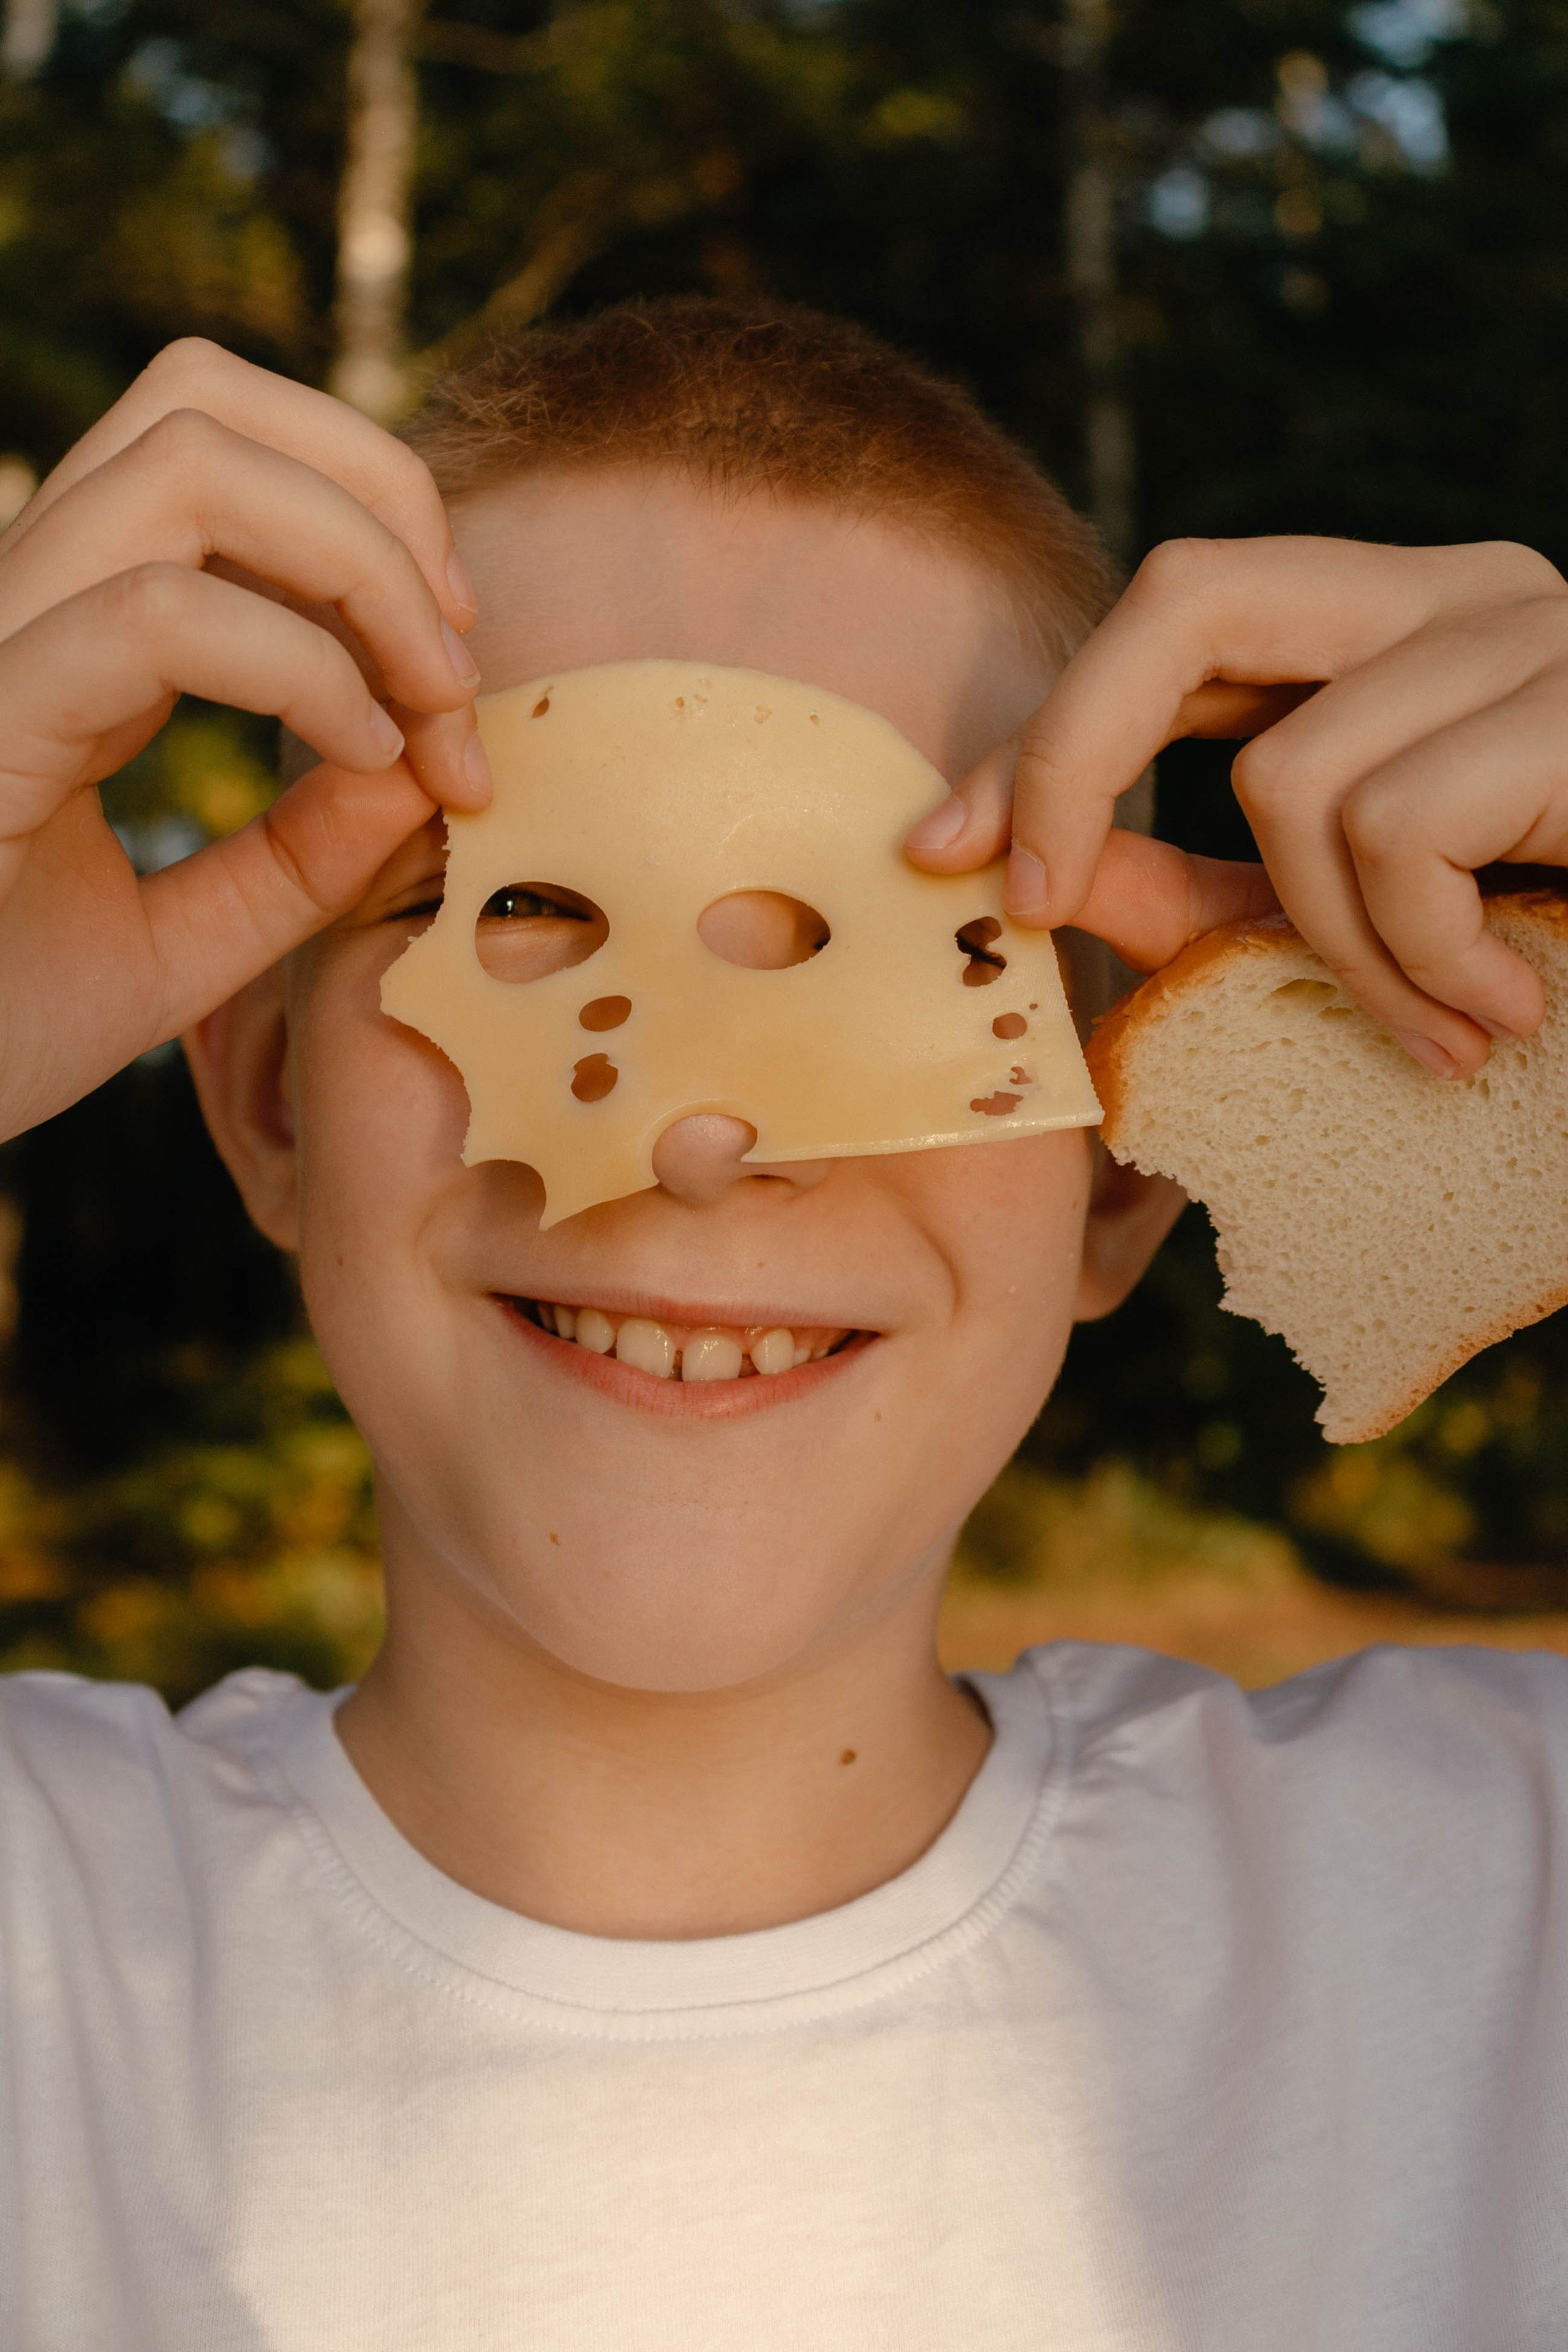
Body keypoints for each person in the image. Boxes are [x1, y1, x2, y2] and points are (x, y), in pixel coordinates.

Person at [3, 299, 1568, 2348]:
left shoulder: (1505, 1915)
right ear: (268, 1097)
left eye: (925, 950)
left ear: (1120, 1164)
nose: (702, 1140)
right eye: (525, 909)